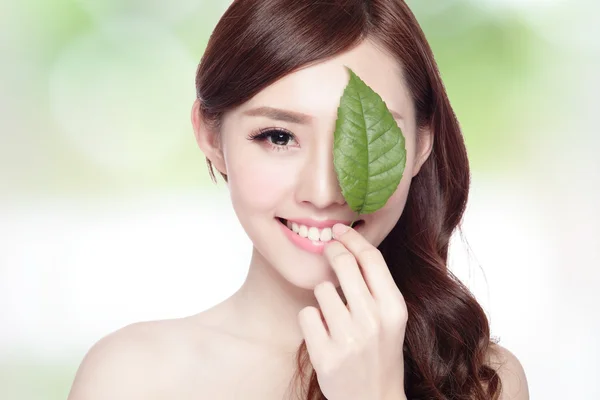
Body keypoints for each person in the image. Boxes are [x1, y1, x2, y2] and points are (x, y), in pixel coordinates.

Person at [67, 1, 529, 399]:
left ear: (421, 144)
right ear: (211, 137)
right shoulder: (132, 379)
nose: (325, 193)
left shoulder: (485, 382)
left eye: (368, 141)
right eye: (278, 136)